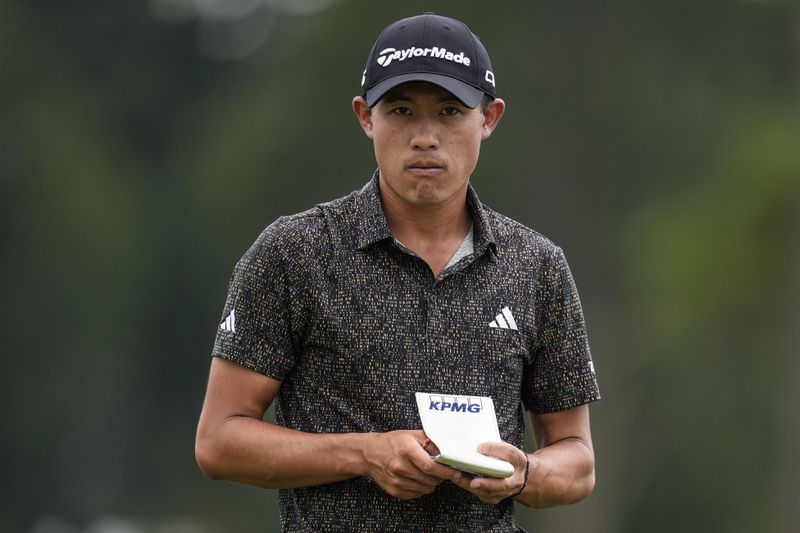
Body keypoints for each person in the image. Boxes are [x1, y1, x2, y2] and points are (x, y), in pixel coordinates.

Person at [195, 12, 600, 532]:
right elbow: (219, 442)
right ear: (366, 117)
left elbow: (578, 461)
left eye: (451, 111)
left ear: (489, 118)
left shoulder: (536, 266)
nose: (426, 137)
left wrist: (524, 475)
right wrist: (365, 454)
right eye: (402, 110)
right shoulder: (294, 253)